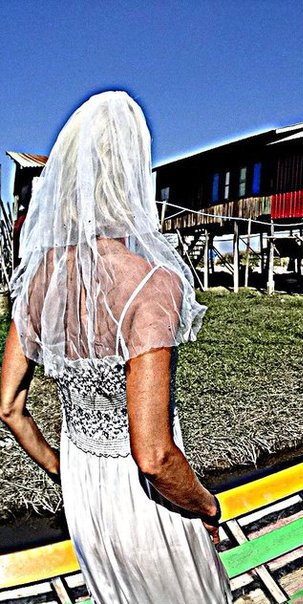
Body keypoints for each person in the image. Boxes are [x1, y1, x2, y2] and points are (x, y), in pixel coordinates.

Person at [0, 91, 232, 603]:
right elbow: (152, 456)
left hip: (84, 492)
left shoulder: (39, 283)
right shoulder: (151, 283)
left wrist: (66, 470)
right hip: (145, 500)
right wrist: (207, 505)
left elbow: (9, 407)